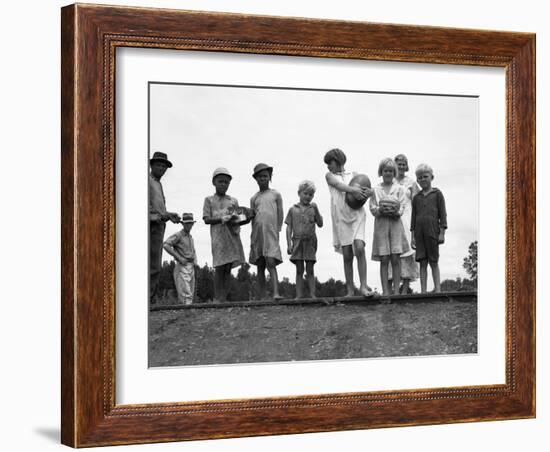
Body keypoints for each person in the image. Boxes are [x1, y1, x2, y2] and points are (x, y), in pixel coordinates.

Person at [324, 148, 374, 297]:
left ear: (338, 160)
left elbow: (367, 189)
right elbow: (339, 186)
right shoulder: (329, 176)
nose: (328, 166)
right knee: (347, 254)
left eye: (330, 162)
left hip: (357, 215)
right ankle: (350, 290)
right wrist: (353, 190)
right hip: (341, 217)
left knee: (359, 248)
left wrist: (369, 192)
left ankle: (363, 287)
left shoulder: (354, 175)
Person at [203, 167, 249, 302]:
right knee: (219, 266)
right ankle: (217, 298)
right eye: (220, 181)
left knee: (228, 266)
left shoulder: (232, 201)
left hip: (232, 236)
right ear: (214, 182)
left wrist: (247, 217)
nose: (223, 184)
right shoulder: (209, 200)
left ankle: (224, 298)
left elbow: (239, 220)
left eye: (226, 182)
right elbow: (206, 219)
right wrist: (220, 219)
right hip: (218, 236)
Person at [369, 158, 410, 296]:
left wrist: (395, 211)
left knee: (395, 258)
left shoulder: (400, 189)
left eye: (391, 171)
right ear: (381, 172)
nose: (388, 173)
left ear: (394, 173)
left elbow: (402, 207)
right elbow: (372, 208)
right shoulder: (375, 190)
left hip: (395, 226)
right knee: (384, 259)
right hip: (381, 227)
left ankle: (397, 292)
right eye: (386, 170)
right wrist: (380, 210)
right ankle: (386, 291)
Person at [149, 151, 180, 304]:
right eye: (158, 165)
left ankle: (151, 299)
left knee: (155, 264)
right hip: (150, 226)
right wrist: (160, 216)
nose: (162, 168)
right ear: (151, 165)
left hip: (159, 226)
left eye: (164, 166)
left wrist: (169, 214)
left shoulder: (158, 184)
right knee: (150, 264)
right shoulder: (147, 181)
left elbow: (158, 209)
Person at [411, 163, 448, 293]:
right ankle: (423, 291)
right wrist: (412, 237)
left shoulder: (437, 194)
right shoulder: (416, 198)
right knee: (422, 262)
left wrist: (442, 233)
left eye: (425, 176)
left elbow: (443, 214)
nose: (422, 179)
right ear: (417, 180)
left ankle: (437, 290)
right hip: (419, 234)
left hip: (433, 232)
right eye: (419, 178)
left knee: (433, 261)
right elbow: (413, 217)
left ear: (432, 177)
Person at [249, 163, 284, 300]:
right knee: (260, 264)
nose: (262, 179)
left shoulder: (276, 194)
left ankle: (276, 292)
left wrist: (278, 229)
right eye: (260, 177)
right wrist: (253, 237)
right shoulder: (254, 198)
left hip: (271, 233)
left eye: (265, 176)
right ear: (256, 179)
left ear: (269, 177)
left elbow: (280, 213)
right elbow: (252, 217)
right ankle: (261, 296)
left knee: (271, 262)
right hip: (258, 234)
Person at [285, 180, 323, 298]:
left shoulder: (313, 208)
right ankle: (299, 296)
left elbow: (320, 224)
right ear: (299, 193)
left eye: (310, 194)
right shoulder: (293, 209)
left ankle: (312, 295)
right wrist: (289, 244)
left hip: (310, 242)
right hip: (297, 242)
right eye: (305, 193)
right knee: (299, 270)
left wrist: (316, 210)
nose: (308, 196)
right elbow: (288, 227)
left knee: (310, 269)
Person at [390, 153, 420, 293]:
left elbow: (418, 201)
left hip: (407, 218)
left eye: (403, 163)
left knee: (407, 251)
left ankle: (405, 290)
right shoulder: (390, 180)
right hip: (393, 217)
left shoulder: (412, 182)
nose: (401, 166)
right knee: (391, 252)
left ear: (406, 166)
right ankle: (390, 289)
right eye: (398, 163)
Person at [163, 213, 197, 305]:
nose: (189, 225)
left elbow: (193, 250)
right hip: (182, 265)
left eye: (190, 223)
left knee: (190, 292)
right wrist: (179, 257)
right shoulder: (178, 235)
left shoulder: (190, 237)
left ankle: (187, 314)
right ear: (183, 224)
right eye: (187, 223)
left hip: (190, 266)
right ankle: (186, 314)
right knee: (185, 294)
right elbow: (166, 245)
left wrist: (195, 261)